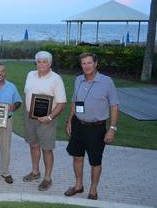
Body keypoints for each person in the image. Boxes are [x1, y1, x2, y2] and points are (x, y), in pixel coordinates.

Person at [64, 53, 119, 200]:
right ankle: (78, 185)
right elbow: (75, 103)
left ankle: (93, 190)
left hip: (96, 128)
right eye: (83, 63)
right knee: (77, 157)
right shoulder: (78, 80)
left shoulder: (107, 82)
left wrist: (112, 129)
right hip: (78, 125)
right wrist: (69, 121)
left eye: (89, 63)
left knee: (95, 161)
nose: (86, 66)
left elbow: (114, 106)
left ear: (96, 64)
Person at [23, 51, 66, 191]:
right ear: (36, 62)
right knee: (34, 145)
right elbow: (27, 93)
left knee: (47, 148)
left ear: (50, 63)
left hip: (47, 120)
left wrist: (49, 117)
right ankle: (35, 172)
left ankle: (47, 178)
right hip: (30, 117)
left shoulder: (56, 79)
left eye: (45, 61)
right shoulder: (30, 74)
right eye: (39, 61)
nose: (41, 64)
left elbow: (61, 103)